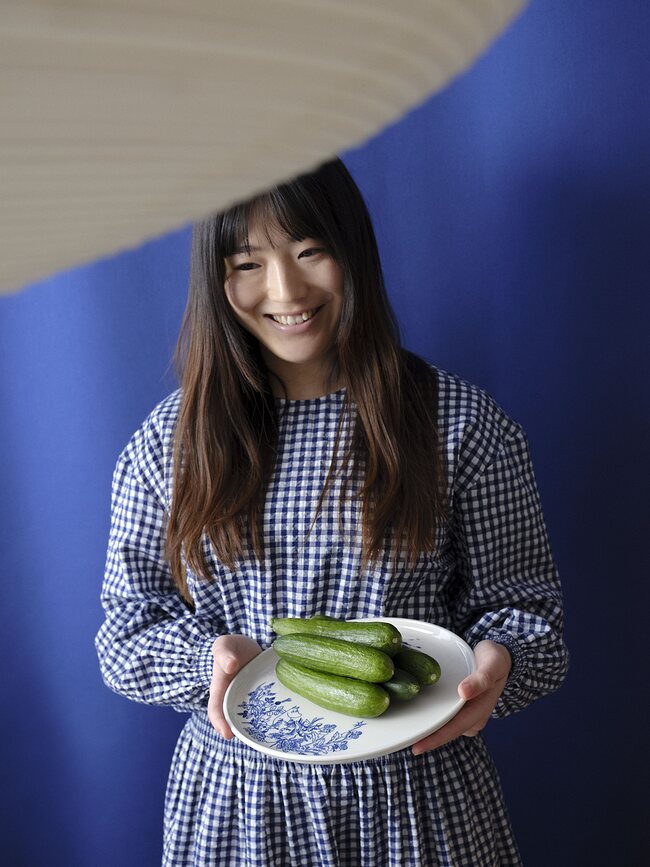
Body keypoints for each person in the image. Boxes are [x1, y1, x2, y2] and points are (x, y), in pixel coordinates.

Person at [95, 157, 568, 866]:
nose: (285, 289)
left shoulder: (462, 426)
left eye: (310, 250)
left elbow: (530, 616)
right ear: (215, 280)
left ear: (353, 249)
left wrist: (502, 662)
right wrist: (209, 658)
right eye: (247, 262)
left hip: (418, 796)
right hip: (239, 809)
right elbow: (124, 634)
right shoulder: (170, 446)